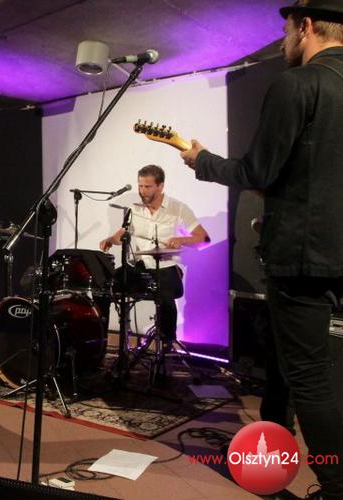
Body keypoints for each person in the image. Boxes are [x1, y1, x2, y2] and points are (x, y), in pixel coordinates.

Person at [180, 1, 343, 496]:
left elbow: (258, 171)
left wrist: (201, 160)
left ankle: (335, 485)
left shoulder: (298, 84)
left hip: (304, 257)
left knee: (306, 375)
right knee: (288, 363)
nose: (285, 39)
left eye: (288, 29)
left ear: (306, 26)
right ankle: (274, 448)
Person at [99, 165, 209, 345]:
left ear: (160, 186)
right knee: (104, 286)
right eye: (140, 186)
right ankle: (101, 339)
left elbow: (203, 238)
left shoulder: (178, 208)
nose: (142, 191)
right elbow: (123, 233)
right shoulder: (134, 209)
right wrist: (110, 239)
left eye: (147, 186)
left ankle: (166, 344)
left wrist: (182, 240)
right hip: (140, 266)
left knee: (165, 297)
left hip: (167, 267)